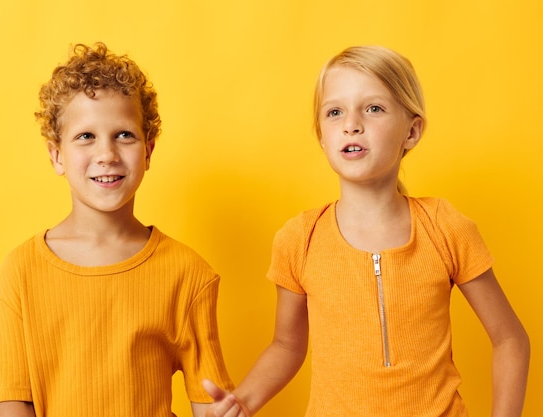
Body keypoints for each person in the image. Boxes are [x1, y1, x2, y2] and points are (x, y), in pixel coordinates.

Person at [203, 45, 530, 417]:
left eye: (373, 108)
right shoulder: (299, 238)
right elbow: (286, 346)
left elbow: (510, 339)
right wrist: (243, 400)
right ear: (323, 137)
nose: (351, 123)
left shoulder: (445, 227)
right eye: (335, 111)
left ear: (412, 131)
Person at [0, 42, 234, 417]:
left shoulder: (188, 273)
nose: (107, 154)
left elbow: (209, 402)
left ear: (148, 150)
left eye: (124, 135)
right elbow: (12, 402)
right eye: (86, 136)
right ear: (56, 155)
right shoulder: (17, 275)